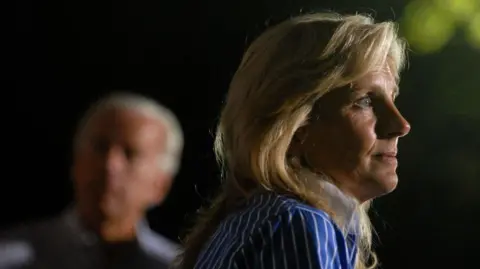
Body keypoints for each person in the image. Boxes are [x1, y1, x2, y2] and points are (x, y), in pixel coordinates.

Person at [174, 12, 411, 269]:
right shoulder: (296, 224)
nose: (401, 125)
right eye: (364, 101)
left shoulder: (263, 219)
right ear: (295, 127)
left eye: (392, 98)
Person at [0, 92, 184, 269]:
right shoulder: (9, 258)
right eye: (100, 147)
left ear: (161, 184)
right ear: (76, 161)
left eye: (130, 154)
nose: (110, 164)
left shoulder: (182, 265)